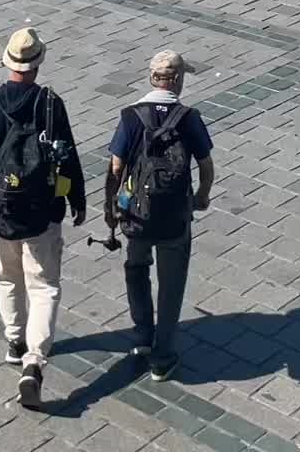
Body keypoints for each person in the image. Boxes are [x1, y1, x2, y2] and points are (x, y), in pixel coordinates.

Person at [0, 27, 86, 410]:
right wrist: (75, 199)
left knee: (7, 278)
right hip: (43, 214)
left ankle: (15, 341)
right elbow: (67, 158)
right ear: (38, 65)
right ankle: (34, 361)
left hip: (0, 215)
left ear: (8, 62)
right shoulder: (50, 104)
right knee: (44, 286)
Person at [105, 48, 214, 382]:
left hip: (137, 216)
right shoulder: (189, 117)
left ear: (152, 77)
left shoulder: (130, 116)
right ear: (177, 81)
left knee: (136, 267)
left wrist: (112, 210)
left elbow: (116, 167)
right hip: (175, 217)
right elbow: (207, 166)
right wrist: (200, 197)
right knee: (171, 284)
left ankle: (141, 336)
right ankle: (163, 358)